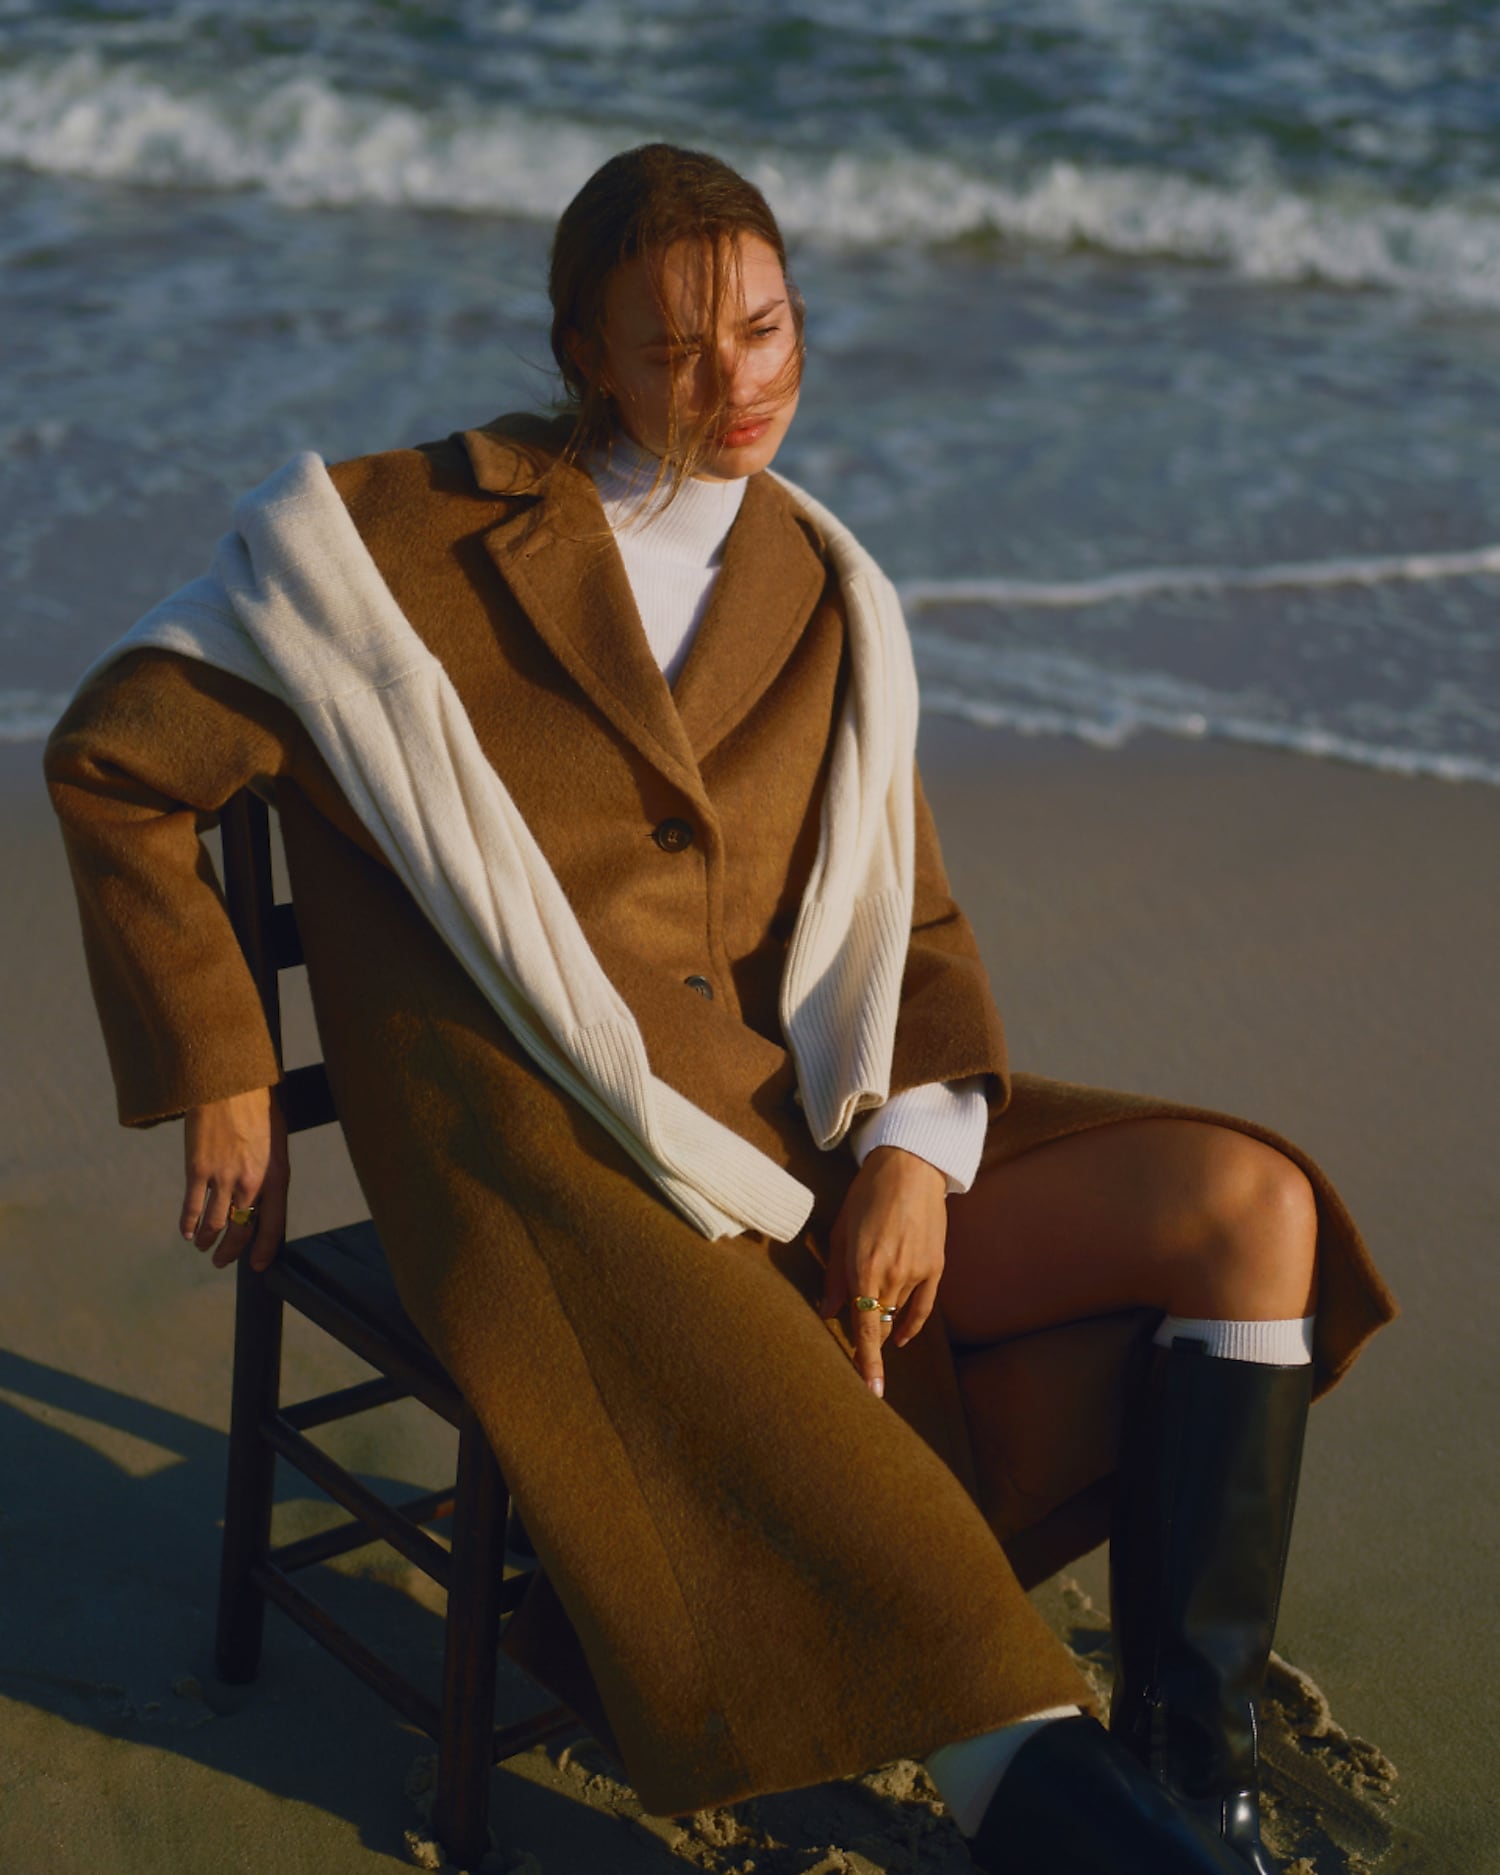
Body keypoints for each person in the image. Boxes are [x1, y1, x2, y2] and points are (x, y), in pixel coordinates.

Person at [45, 143, 1395, 1874]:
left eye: (765, 327)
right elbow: (115, 759)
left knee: (1247, 1212)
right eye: (674, 346)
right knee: (929, 1603)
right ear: (583, 349)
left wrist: (916, 1143)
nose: (735, 381)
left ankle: (1190, 1785)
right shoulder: (390, 553)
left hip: (799, 1135)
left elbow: (912, 915)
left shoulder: (824, 591)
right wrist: (221, 1056)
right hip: (562, 1184)